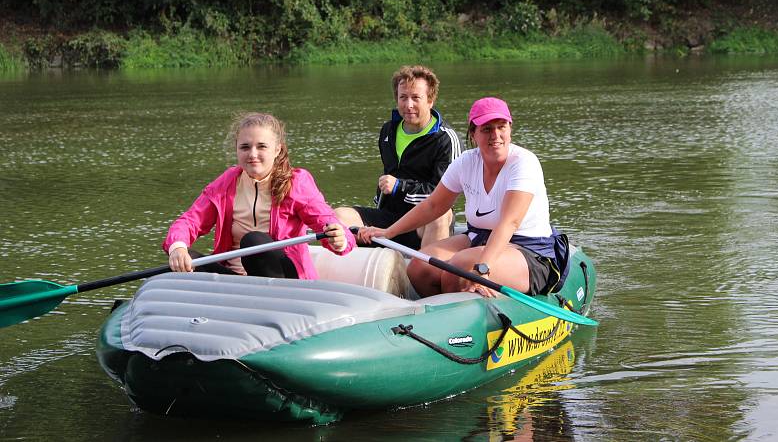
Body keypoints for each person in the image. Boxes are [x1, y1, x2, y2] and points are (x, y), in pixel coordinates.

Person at [361, 97, 566, 298]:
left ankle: (469, 307)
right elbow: (433, 205)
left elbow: (509, 223)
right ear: (473, 134)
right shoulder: (466, 161)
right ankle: (447, 316)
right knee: (418, 267)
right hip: (478, 238)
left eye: (501, 127)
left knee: (459, 267)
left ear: (510, 129)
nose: (495, 135)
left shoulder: (524, 162)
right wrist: (388, 232)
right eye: (486, 129)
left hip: (530, 249)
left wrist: (484, 269)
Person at [164, 112, 355, 278]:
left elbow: (327, 220)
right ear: (236, 149)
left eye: (261, 146)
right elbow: (190, 221)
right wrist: (178, 247)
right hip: (235, 278)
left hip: (284, 280)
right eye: (245, 147)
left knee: (253, 241)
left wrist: (339, 239)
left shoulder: (297, 182)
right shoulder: (226, 182)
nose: (252, 154)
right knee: (187, 258)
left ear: (277, 149)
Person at [335, 65, 463, 250]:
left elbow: (444, 196)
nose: (408, 105)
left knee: (440, 216)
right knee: (338, 216)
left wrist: (399, 186)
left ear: (430, 100)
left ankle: (427, 274)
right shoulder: (388, 130)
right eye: (403, 97)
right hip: (388, 217)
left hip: (424, 222)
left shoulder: (446, 139)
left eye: (416, 98)